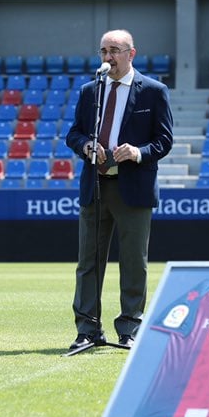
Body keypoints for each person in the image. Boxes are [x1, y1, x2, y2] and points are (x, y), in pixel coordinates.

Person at [65, 29, 174, 352]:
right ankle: (87, 330)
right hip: (95, 186)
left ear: (131, 53)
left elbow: (164, 141)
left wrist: (138, 152)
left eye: (114, 50)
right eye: (103, 51)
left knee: (133, 261)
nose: (108, 57)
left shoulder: (154, 91)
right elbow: (74, 133)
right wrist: (86, 146)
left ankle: (130, 328)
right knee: (88, 261)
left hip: (134, 187)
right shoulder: (90, 91)